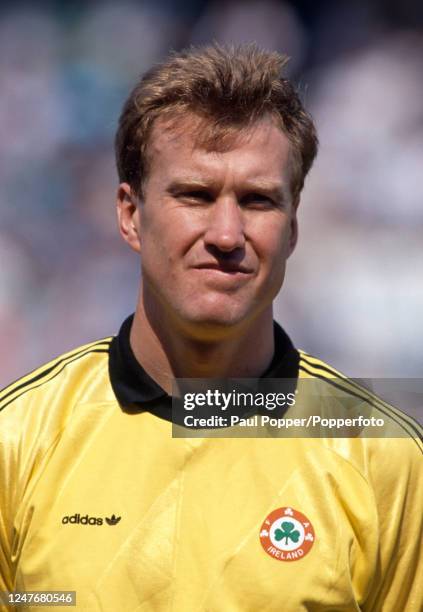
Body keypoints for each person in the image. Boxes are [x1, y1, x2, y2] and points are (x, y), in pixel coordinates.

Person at [0, 44, 421, 611]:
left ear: (293, 228)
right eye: (195, 195)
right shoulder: (17, 441)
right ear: (130, 214)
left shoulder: (384, 457)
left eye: (257, 200)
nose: (226, 234)